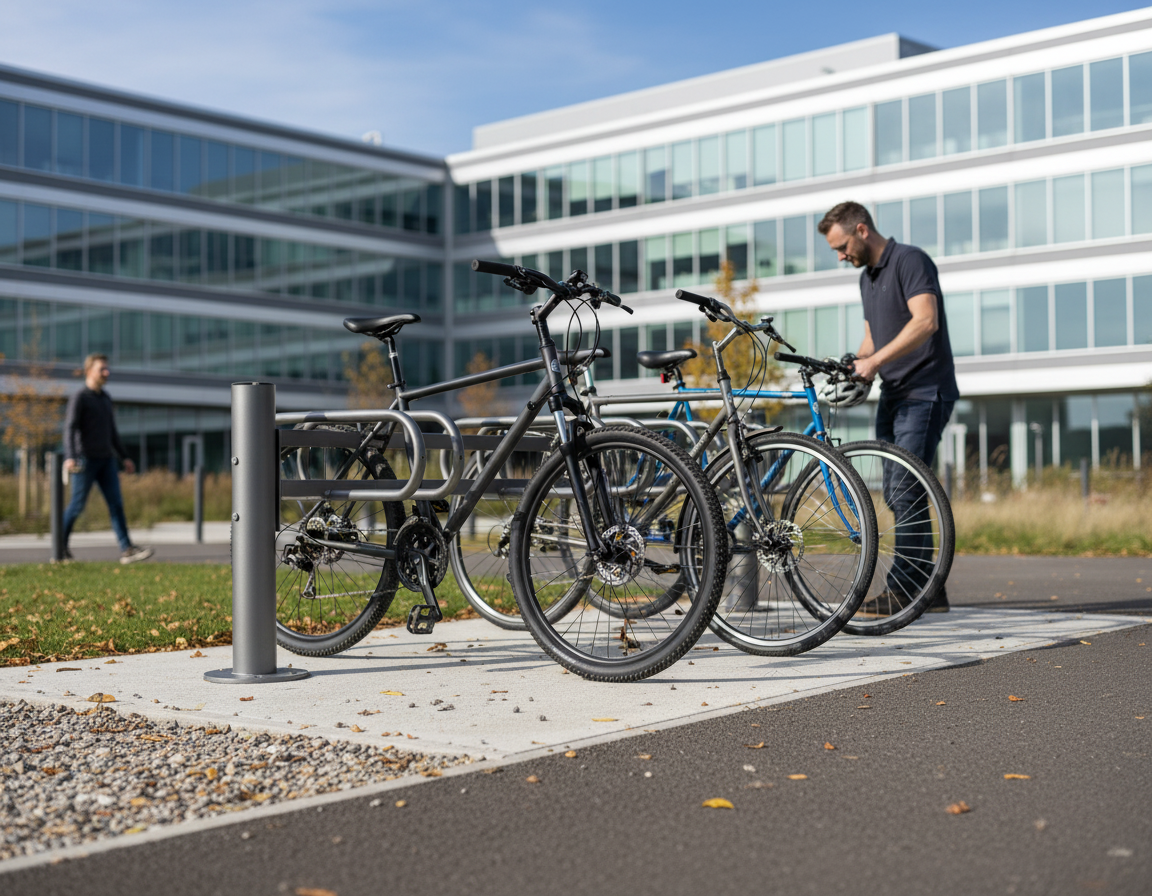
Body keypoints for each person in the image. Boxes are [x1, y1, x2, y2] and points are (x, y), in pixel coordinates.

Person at [818, 201, 958, 614]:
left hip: (925, 391)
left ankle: (906, 589)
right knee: (901, 494)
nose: (841, 256)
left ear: (861, 230)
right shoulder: (867, 277)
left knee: (904, 488)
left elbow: (925, 320)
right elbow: (871, 337)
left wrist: (875, 362)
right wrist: (854, 364)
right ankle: (930, 590)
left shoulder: (910, 261)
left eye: (841, 246)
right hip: (894, 393)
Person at [62, 353, 153, 564]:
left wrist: (124, 457)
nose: (107, 372)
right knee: (76, 506)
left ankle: (127, 550)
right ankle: (60, 549)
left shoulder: (105, 398)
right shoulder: (80, 397)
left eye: (107, 369)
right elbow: (70, 428)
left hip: (106, 461)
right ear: (89, 371)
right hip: (84, 460)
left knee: (116, 504)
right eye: (102, 369)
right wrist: (71, 456)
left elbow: (112, 432)